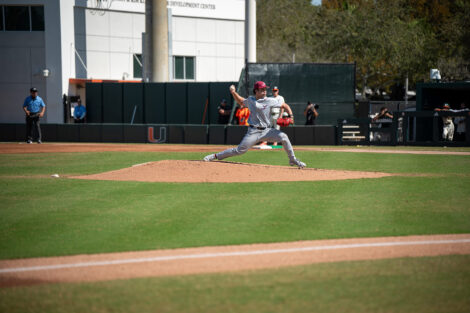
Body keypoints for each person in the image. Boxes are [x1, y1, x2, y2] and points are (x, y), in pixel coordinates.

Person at [203, 81, 306, 168]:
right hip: (253, 131)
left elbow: (285, 105)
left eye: (265, 89)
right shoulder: (251, 100)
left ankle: (292, 160)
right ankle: (215, 156)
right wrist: (233, 92)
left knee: (284, 137)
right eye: (262, 89)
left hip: (266, 131)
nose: (264, 90)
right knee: (239, 151)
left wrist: (291, 116)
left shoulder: (271, 100)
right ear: (256, 91)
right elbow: (240, 101)